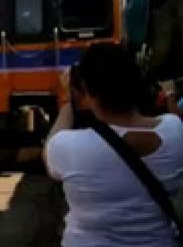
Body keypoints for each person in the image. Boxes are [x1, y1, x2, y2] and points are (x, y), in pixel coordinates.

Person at [44, 44, 183, 247]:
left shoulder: (72, 147)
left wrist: (67, 102)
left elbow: (48, 155)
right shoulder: (175, 130)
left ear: (85, 93)